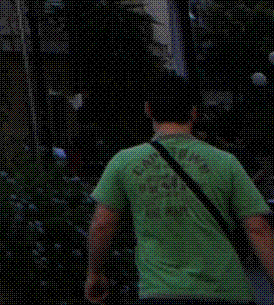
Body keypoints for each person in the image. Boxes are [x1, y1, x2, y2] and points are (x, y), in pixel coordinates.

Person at [87, 73, 273, 304]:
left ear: (148, 110)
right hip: (225, 291)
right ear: (194, 113)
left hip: (160, 292)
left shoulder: (124, 162)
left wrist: (94, 273)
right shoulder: (225, 162)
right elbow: (258, 229)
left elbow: (102, 225)